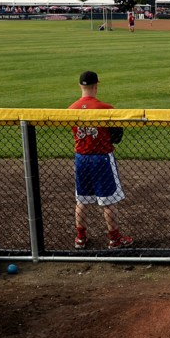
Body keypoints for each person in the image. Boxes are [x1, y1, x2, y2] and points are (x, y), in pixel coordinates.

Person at [69, 71, 133, 250]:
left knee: (82, 200)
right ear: (96, 85)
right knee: (109, 201)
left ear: (80, 86)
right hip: (102, 159)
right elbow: (117, 135)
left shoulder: (70, 109)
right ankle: (114, 239)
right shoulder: (105, 108)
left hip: (81, 159)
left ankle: (80, 238)